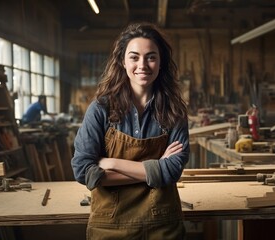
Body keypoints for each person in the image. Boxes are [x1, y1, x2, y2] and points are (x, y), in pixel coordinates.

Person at [71, 22, 189, 239]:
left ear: (161, 62)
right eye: (134, 57)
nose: (142, 64)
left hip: (162, 225)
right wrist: (155, 170)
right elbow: (83, 171)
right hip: (109, 225)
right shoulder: (101, 109)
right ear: (122, 62)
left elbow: (172, 170)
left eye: (151, 57)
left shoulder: (174, 111)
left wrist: (111, 163)